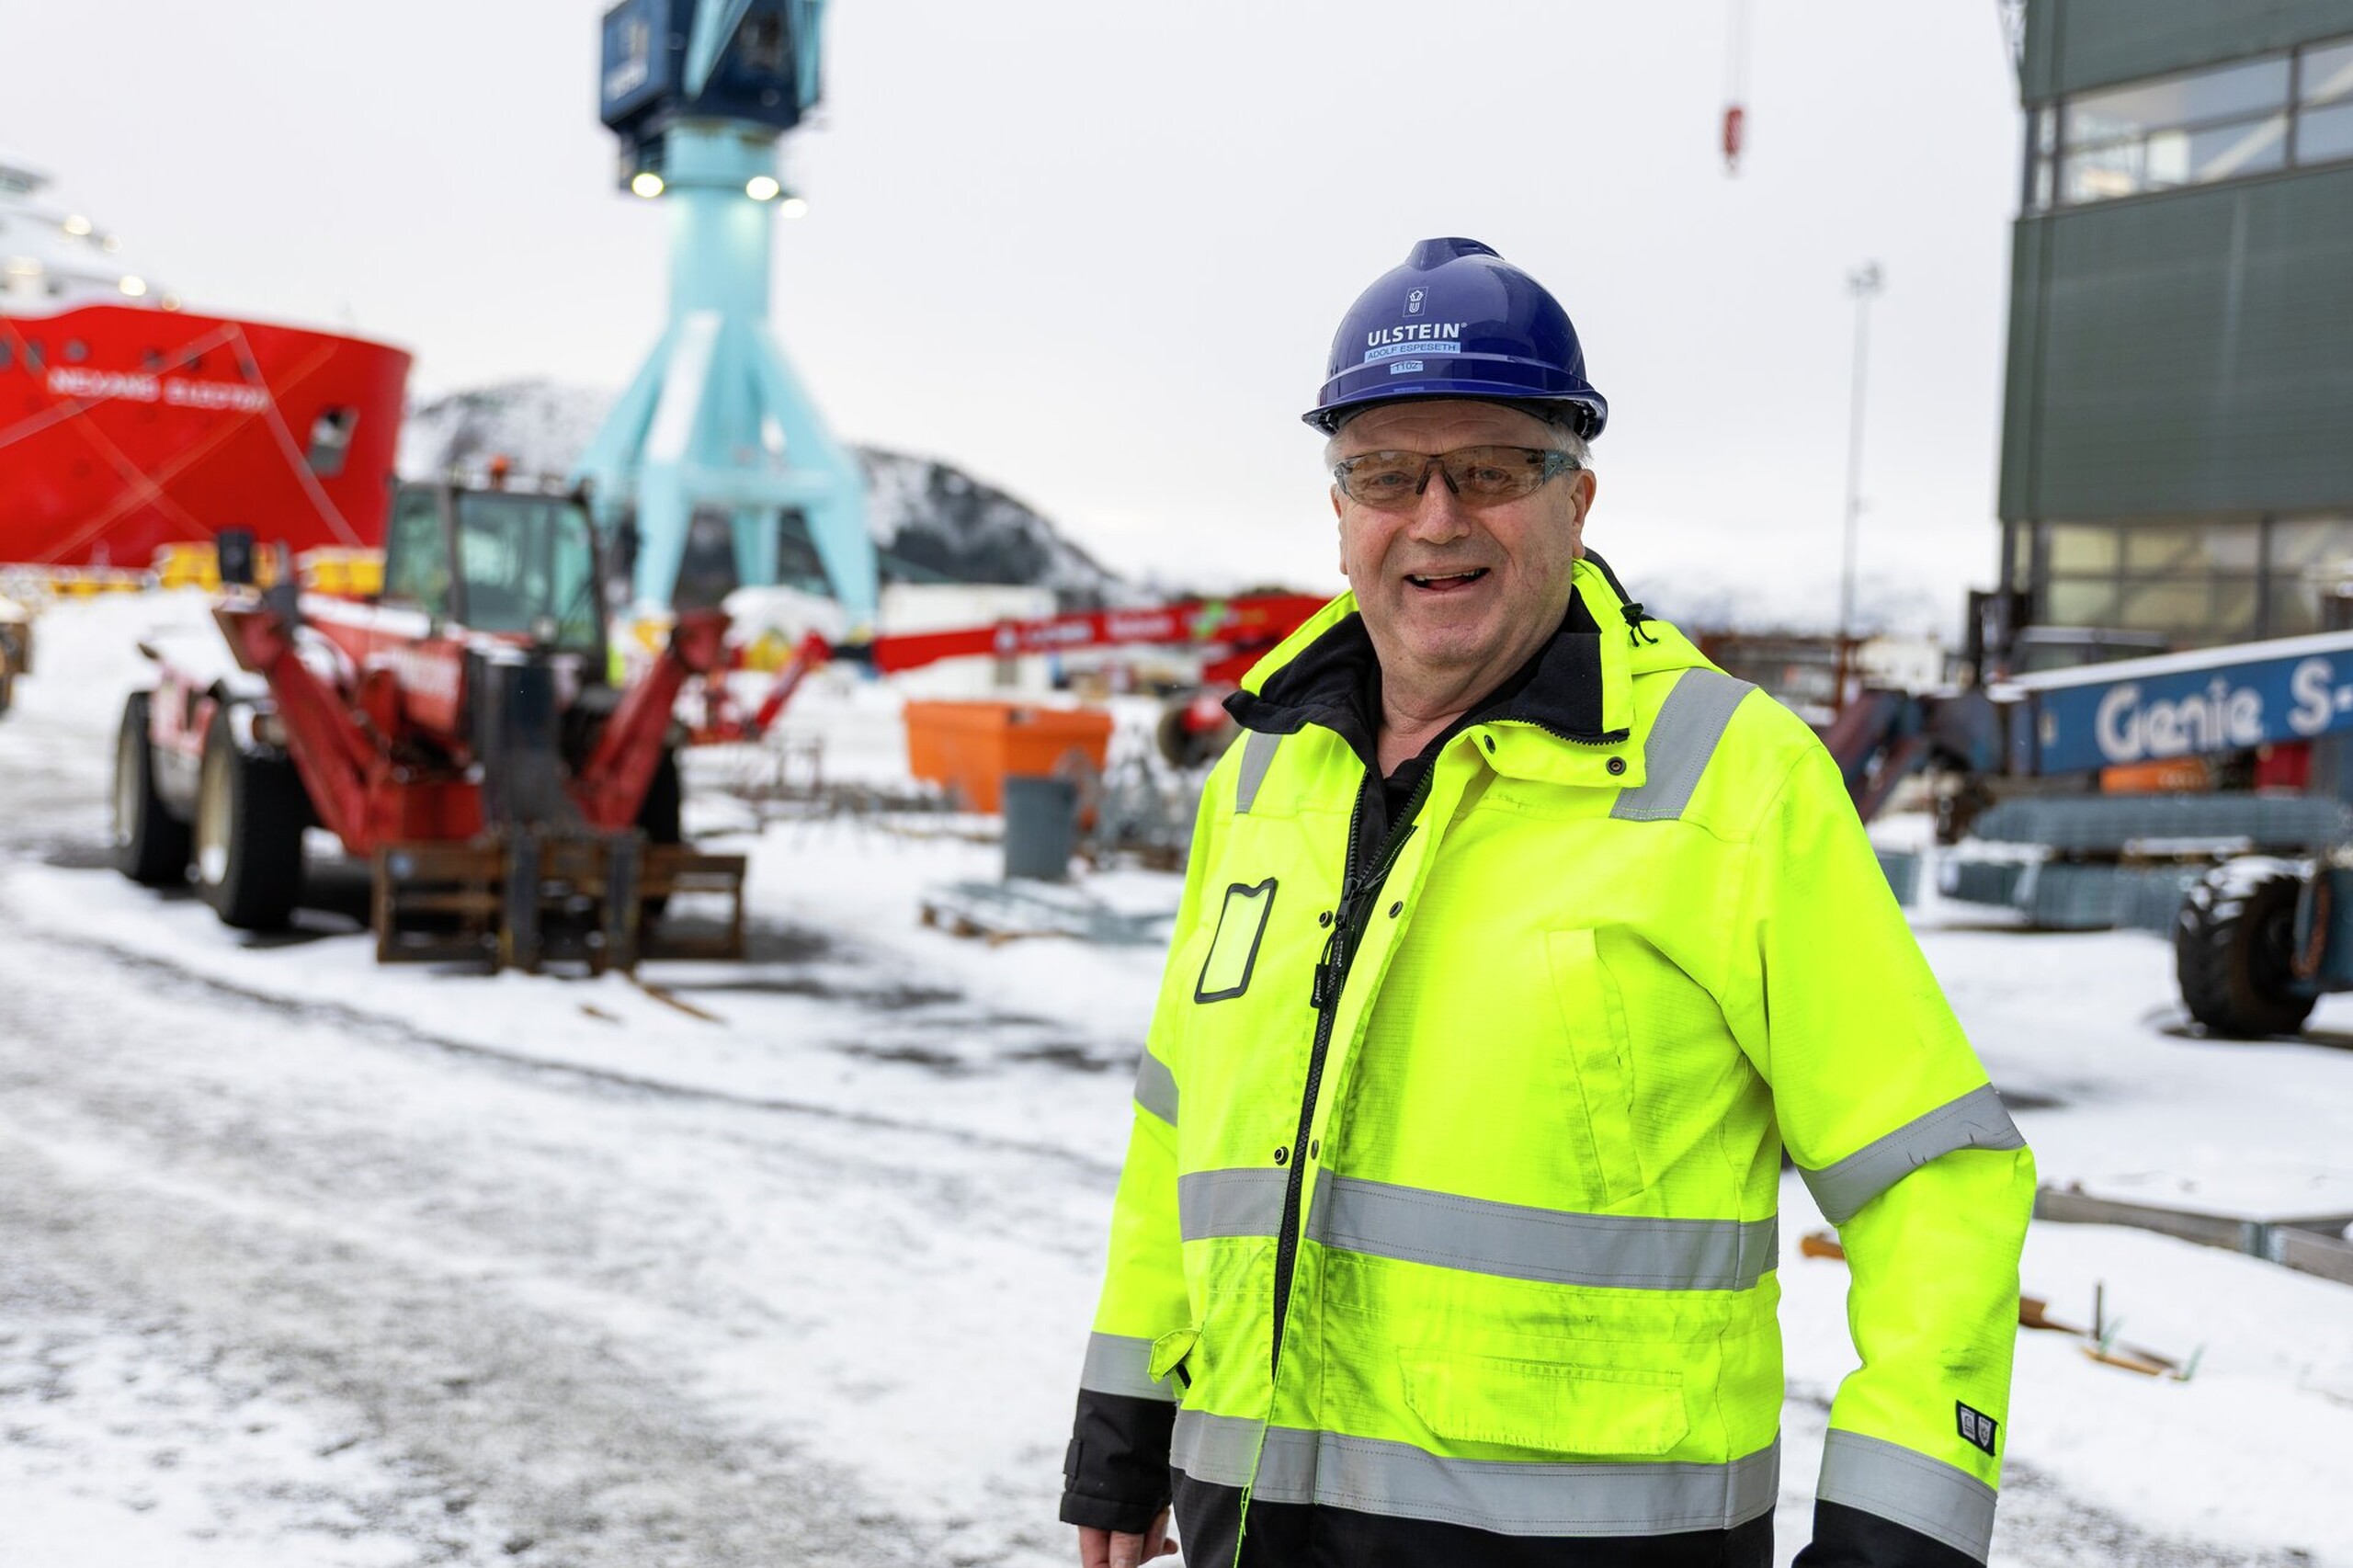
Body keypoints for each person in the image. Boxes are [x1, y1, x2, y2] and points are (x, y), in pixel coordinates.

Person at [1059, 236, 2035, 1568]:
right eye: (1388, 474)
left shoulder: (1730, 782)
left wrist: (1895, 1547)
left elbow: (1938, 1178)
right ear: (1339, 508)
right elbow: (1183, 1123)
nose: (1438, 517)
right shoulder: (1265, 774)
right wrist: (1125, 1425)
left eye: (1494, 470)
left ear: (1578, 498)